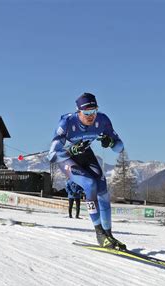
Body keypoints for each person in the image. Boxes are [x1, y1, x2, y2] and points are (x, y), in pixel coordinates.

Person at [49, 93, 126, 249]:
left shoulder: (102, 120)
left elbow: (120, 148)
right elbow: (52, 155)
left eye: (94, 111)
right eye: (87, 113)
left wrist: (110, 141)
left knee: (103, 189)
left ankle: (108, 234)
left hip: (86, 155)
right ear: (78, 112)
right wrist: (72, 148)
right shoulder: (67, 122)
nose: (91, 116)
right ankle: (99, 234)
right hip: (67, 159)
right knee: (90, 184)